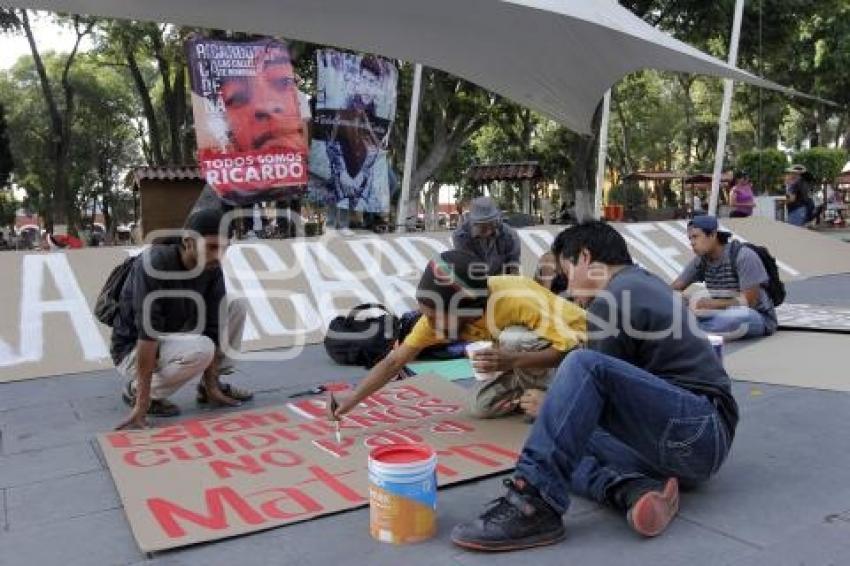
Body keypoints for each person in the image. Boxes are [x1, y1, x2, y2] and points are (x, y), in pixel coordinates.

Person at [451, 221, 738, 551]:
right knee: (556, 442)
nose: (570, 289)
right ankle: (634, 490)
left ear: (585, 257)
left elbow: (592, 391)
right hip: (688, 443)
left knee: (575, 379)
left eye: (568, 272)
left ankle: (533, 502)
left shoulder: (615, 297)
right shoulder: (640, 284)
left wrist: (550, 404)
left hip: (698, 428)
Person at [330, 250, 586, 420]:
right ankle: (533, 395)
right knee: (479, 406)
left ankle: (557, 403)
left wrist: (512, 360)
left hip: (583, 350)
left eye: (434, 316)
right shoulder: (437, 318)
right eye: (426, 315)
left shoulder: (516, 298)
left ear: (464, 306)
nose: (429, 323)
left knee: (513, 339)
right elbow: (394, 362)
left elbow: (567, 349)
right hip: (528, 361)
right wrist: (352, 400)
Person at [111, 208, 254, 430]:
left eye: (225, 248)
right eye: (212, 247)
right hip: (134, 348)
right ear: (188, 243)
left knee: (236, 305)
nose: (219, 255)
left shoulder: (212, 267)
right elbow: (147, 337)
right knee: (202, 348)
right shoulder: (154, 265)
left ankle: (210, 387)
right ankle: (137, 390)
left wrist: (211, 385)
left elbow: (213, 328)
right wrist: (142, 404)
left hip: (175, 334)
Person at [671, 215, 776, 340]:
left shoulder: (743, 256)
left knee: (734, 317)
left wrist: (710, 304)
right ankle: (692, 329)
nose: (692, 243)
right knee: (678, 304)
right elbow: (676, 287)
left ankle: (687, 331)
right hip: (718, 313)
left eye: (696, 237)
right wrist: (685, 300)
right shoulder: (701, 261)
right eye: (690, 238)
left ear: (713, 235)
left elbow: (748, 302)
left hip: (756, 316)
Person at [452, 197, 522, 275]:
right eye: (483, 228)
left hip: (501, 280)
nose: (489, 232)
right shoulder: (461, 237)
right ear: (473, 224)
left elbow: (514, 269)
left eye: (492, 225)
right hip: (474, 279)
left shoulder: (510, 235)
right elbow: (466, 269)